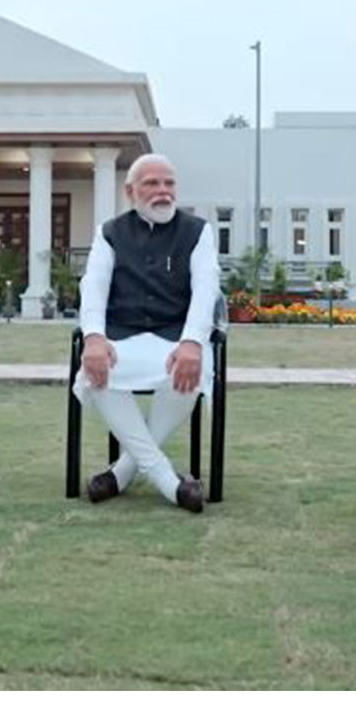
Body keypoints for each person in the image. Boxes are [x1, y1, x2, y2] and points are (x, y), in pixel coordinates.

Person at [75, 153, 221, 513]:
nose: (162, 191)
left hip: (176, 336)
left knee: (191, 369)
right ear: (131, 191)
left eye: (168, 183)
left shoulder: (198, 231)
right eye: (152, 183)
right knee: (97, 369)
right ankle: (170, 484)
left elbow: (207, 289)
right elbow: (93, 286)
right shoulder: (109, 232)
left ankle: (122, 472)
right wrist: (93, 336)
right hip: (122, 336)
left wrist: (191, 342)